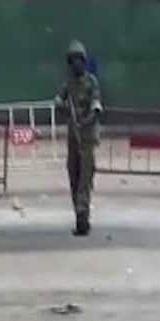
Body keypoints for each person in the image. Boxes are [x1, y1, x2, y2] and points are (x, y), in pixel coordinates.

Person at [56, 39, 103, 236]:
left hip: (87, 138)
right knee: (73, 175)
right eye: (72, 60)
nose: (76, 64)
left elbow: (96, 107)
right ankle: (79, 212)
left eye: (79, 59)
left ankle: (82, 217)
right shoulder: (69, 84)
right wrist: (64, 107)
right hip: (73, 138)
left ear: (84, 61)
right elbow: (58, 100)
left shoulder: (91, 82)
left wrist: (86, 120)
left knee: (85, 178)